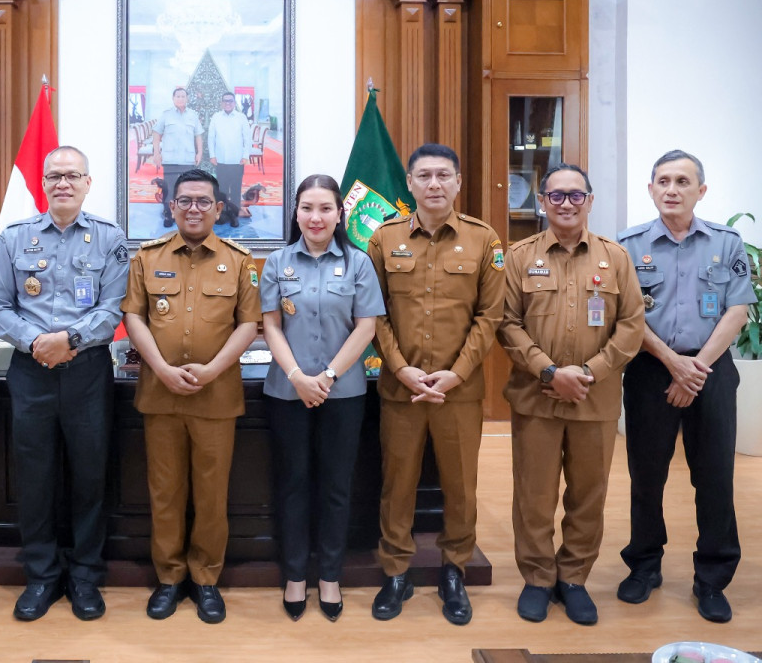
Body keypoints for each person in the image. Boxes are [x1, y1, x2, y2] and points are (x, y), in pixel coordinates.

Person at [0, 146, 130, 622]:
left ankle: (85, 575)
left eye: (72, 175)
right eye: (54, 176)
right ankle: (42, 576)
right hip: (31, 372)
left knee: (90, 475)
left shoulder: (109, 238)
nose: (63, 183)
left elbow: (113, 307)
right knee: (34, 476)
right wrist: (36, 342)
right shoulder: (15, 238)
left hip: (88, 371)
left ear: (88, 183)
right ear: (43, 183)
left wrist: (69, 339)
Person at [499, 164, 645, 625]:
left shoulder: (615, 258)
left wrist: (587, 372)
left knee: (588, 495)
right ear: (543, 202)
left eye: (575, 195)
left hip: (594, 399)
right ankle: (539, 578)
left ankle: (574, 578)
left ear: (590, 201)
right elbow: (506, 323)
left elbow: (632, 326)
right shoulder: (519, 256)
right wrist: (548, 370)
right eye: (557, 195)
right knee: (534, 496)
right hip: (536, 398)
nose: (566, 203)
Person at [365, 142, 503, 626]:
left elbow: (489, 316)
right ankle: (396, 572)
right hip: (400, 390)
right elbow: (373, 312)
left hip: (458, 392)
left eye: (444, 175)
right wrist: (400, 368)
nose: (434, 184)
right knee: (397, 485)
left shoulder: (484, 240)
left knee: (460, 487)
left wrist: (457, 372)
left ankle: (454, 570)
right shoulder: (384, 239)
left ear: (458, 182)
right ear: (409, 183)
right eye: (424, 176)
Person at [616, 150, 754, 624]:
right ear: (650, 189)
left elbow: (738, 310)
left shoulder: (726, 243)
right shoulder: (628, 246)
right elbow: (627, 316)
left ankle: (712, 579)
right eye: (663, 181)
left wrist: (695, 370)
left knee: (714, 477)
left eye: (682, 181)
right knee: (646, 475)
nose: (671, 189)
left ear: (701, 190)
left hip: (710, 370)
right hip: (652, 369)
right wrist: (674, 364)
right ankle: (644, 566)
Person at [121, 168, 261, 624]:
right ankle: (168, 578)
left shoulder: (239, 261)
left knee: (212, 493)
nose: (194, 209)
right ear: (172, 206)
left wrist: (213, 369)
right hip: (160, 396)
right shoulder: (147, 257)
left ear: (219, 208)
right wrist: (161, 369)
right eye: (185, 201)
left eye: (203, 201)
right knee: (164, 492)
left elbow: (249, 323)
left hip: (215, 397)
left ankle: (205, 578)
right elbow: (134, 317)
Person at [260, 174, 384, 622]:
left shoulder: (358, 263)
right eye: (307, 208)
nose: (316, 217)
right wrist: (297, 376)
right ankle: (295, 575)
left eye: (325, 208)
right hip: (287, 392)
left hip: (343, 393)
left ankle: (329, 575)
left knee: (336, 485)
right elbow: (270, 325)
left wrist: (327, 376)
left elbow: (366, 327)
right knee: (292, 484)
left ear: (339, 213)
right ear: (296, 213)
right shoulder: (276, 262)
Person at [153, 87, 205, 228]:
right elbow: (156, 134)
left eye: (183, 96)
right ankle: (168, 214)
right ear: (173, 98)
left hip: (187, 159)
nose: (180, 99)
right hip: (170, 158)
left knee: (186, 189)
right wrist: (156, 153)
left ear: (187, 99)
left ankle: (184, 213)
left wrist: (199, 152)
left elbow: (198, 135)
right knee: (169, 189)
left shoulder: (193, 115)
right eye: (178, 96)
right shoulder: (166, 115)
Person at [207, 92, 252, 210]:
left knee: (236, 189)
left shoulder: (241, 117)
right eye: (225, 101)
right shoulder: (216, 117)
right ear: (222, 103)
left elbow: (247, 138)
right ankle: (222, 213)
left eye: (230, 101)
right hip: (220, 160)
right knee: (222, 189)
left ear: (234, 103)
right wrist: (212, 155)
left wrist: (245, 156)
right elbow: (211, 137)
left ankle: (235, 213)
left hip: (237, 160)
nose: (228, 103)